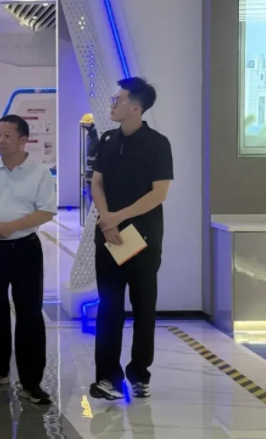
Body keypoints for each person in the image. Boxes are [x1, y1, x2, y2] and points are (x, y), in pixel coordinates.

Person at [88, 77, 173, 401]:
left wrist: (117, 217)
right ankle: (107, 377)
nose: (112, 104)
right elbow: (97, 183)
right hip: (108, 237)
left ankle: (140, 373)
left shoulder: (157, 144)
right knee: (108, 308)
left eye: (118, 100)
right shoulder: (108, 139)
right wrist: (107, 220)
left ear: (136, 107)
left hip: (143, 240)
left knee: (143, 309)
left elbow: (159, 193)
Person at [0, 114, 56, 405]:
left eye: (7, 136)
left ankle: (31, 382)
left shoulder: (39, 173)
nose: (0, 140)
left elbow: (46, 211)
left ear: (23, 139)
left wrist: (10, 227)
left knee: (29, 314)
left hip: (25, 250)